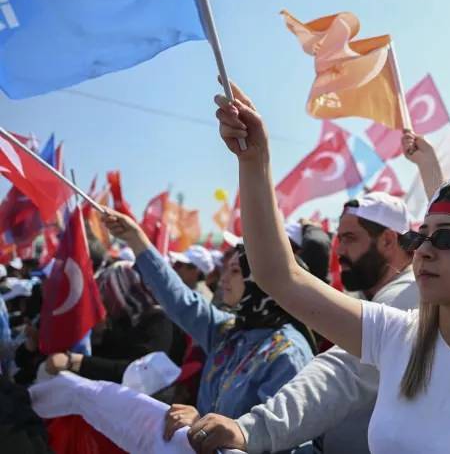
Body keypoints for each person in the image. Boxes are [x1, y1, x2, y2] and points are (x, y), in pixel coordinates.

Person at [190, 82, 450, 453]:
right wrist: (255, 161)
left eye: (446, 239)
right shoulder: (397, 336)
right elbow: (280, 277)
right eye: (419, 237)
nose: (424, 252)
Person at [196, 192, 418, 454]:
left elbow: (341, 373)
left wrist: (252, 430)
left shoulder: (406, 295)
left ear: (388, 240)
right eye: (338, 238)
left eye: (349, 239)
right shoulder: (368, 296)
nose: (340, 250)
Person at [102, 213, 315, 436]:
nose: (223, 279)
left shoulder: (288, 354)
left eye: (235, 271)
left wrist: (202, 424)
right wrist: (137, 239)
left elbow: (278, 437)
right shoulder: (229, 330)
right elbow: (179, 300)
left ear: (262, 281)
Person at [43, 261, 180, 383]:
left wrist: (75, 362)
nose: (104, 300)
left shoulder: (160, 322)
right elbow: (108, 354)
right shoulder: (126, 319)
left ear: (122, 290)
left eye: (107, 292)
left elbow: (138, 372)